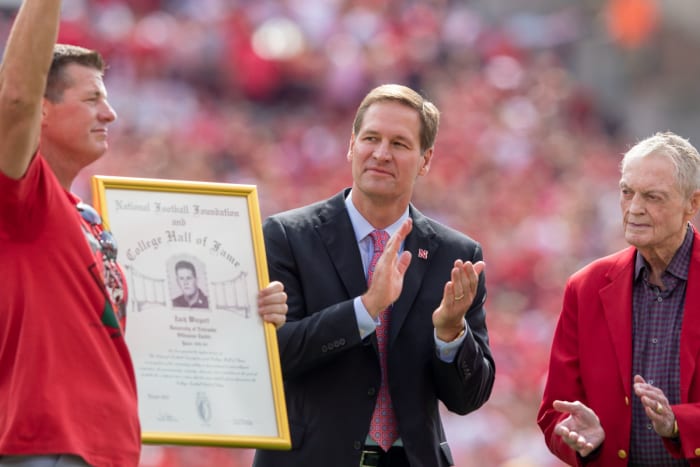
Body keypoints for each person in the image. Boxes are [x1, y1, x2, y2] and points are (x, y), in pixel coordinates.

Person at [0, 2, 288, 466]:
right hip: (47, 445)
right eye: (92, 98)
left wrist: (246, 316)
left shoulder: (87, 218)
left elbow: (148, 331)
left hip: (109, 450)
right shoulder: (22, 198)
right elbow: (13, 99)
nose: (110, 113)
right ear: (43, 111)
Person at [254, 84, 495, 467]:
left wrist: (450, 334)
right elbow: (276, 354)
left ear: (425, 159)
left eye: (399, 144)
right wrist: (365, 310)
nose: (381, 154)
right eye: (371, 138)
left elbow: (470, 398)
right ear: (352, 145)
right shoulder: (287, 236)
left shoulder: (458, 256)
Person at [537, 131, 700, 466]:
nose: (635, 209)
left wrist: (678, 426)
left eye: (653, 197)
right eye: (627, 192)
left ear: (692, 204)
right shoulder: (585, 287)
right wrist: (582, 440)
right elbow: (554, 412)